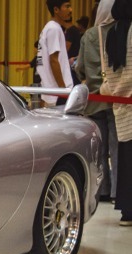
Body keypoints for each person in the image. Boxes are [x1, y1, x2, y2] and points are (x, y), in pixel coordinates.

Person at [76, 0, 118, 203]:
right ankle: (118, 192)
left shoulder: (89, 35)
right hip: (116, 98)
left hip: (94, 99)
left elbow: (80, 68)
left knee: (98, 150)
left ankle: (102, 189)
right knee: (117, 148)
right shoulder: (122, 32)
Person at [102, 0, 132, 225]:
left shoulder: (111, 33)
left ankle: (127, 211)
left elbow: (109, 72)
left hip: (120, 105)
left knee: (125, 160)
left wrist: (117, 91)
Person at [36, 0, 74, 106]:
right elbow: (53, 60)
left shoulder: (50, 27)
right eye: (67, 6)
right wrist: (63, 90)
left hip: (51, 90)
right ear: (56, 10)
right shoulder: (54, 29)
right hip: (56, 92)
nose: (70, 10)